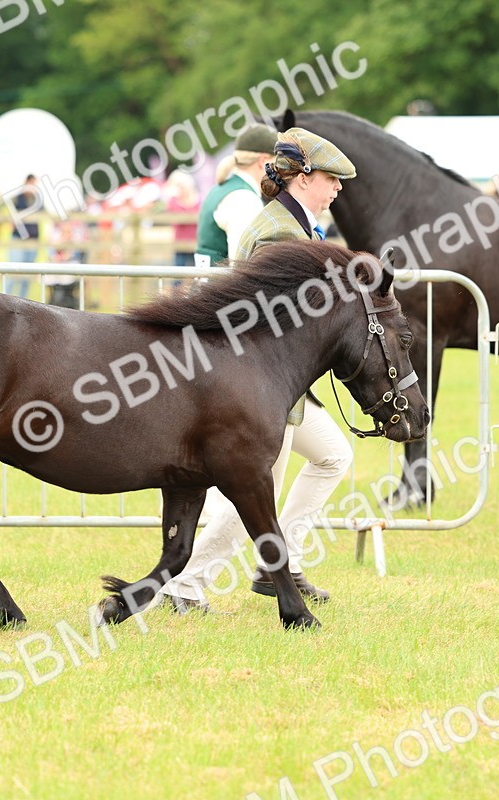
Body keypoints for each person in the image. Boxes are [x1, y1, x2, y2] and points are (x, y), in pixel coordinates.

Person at [160, 127, 357, 613]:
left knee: (333, 455)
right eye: (331, 178)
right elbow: (279, 322)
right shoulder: (278, 232)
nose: (338, 187)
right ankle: (184, 586)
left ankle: (278, 566)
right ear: (303, 178)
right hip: (262, 386)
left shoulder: (296, 225)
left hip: (280, 384)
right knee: (249, 496)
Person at [193, 124, 276, 268]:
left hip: (209, 280)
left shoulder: (224, 188)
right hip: (221, 281)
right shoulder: (244, 198)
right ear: (263, 161)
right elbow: (242, 263)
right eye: (276, 161)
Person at [6, 174, 39, 297]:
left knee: (27, 275)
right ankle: (7, 298)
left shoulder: (37, 199)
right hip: (18, 238)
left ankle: (23, 300)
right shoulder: (17, 198)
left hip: (32, 239)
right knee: (13, 271)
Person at [163, 169, 199, 269]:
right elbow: (173, 217)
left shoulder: (197, 200)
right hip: (180, 243)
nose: (181, 189)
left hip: (196, 243)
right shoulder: (173, 202)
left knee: (196, 270)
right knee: (178, 269)